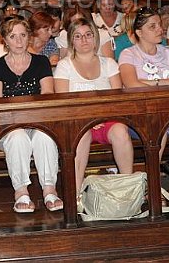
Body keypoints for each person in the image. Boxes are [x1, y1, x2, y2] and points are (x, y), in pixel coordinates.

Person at [0, 18, 63, 213]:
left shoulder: (41, 62)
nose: (19, 41)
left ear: (29, 37)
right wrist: (17, 121)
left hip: (38, 121)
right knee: (17, 136)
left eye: (22, 35)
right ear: (4, 39)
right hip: (7, 126)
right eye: (13, 36)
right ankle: (21, 192)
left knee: (45, 136)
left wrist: (33, 118)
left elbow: (47, 94)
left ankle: (49, 189)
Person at [54, 18, 133, 193]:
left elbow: (117, 98)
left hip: (107, 119)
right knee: (82, 135)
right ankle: (75, 192)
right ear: (71, 41)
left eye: (88, 35)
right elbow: (63, 102)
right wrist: (88, 118)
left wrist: (101, 116)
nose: (84, 40)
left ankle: (127, 187)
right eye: (78, 36)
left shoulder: (109, 64)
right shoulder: (64, 66)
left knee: (121, 131)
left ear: (95, 38)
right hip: (77, 121)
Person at [118, 7, 169, 155]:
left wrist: (152, 83)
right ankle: (153, 176)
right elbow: (132, 85)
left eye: (160, 24)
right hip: (142, 113)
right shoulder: (129, 54)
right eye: (152, 26)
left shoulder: (168, 51)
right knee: (157, 124)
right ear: (139, 32)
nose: (159, 29)